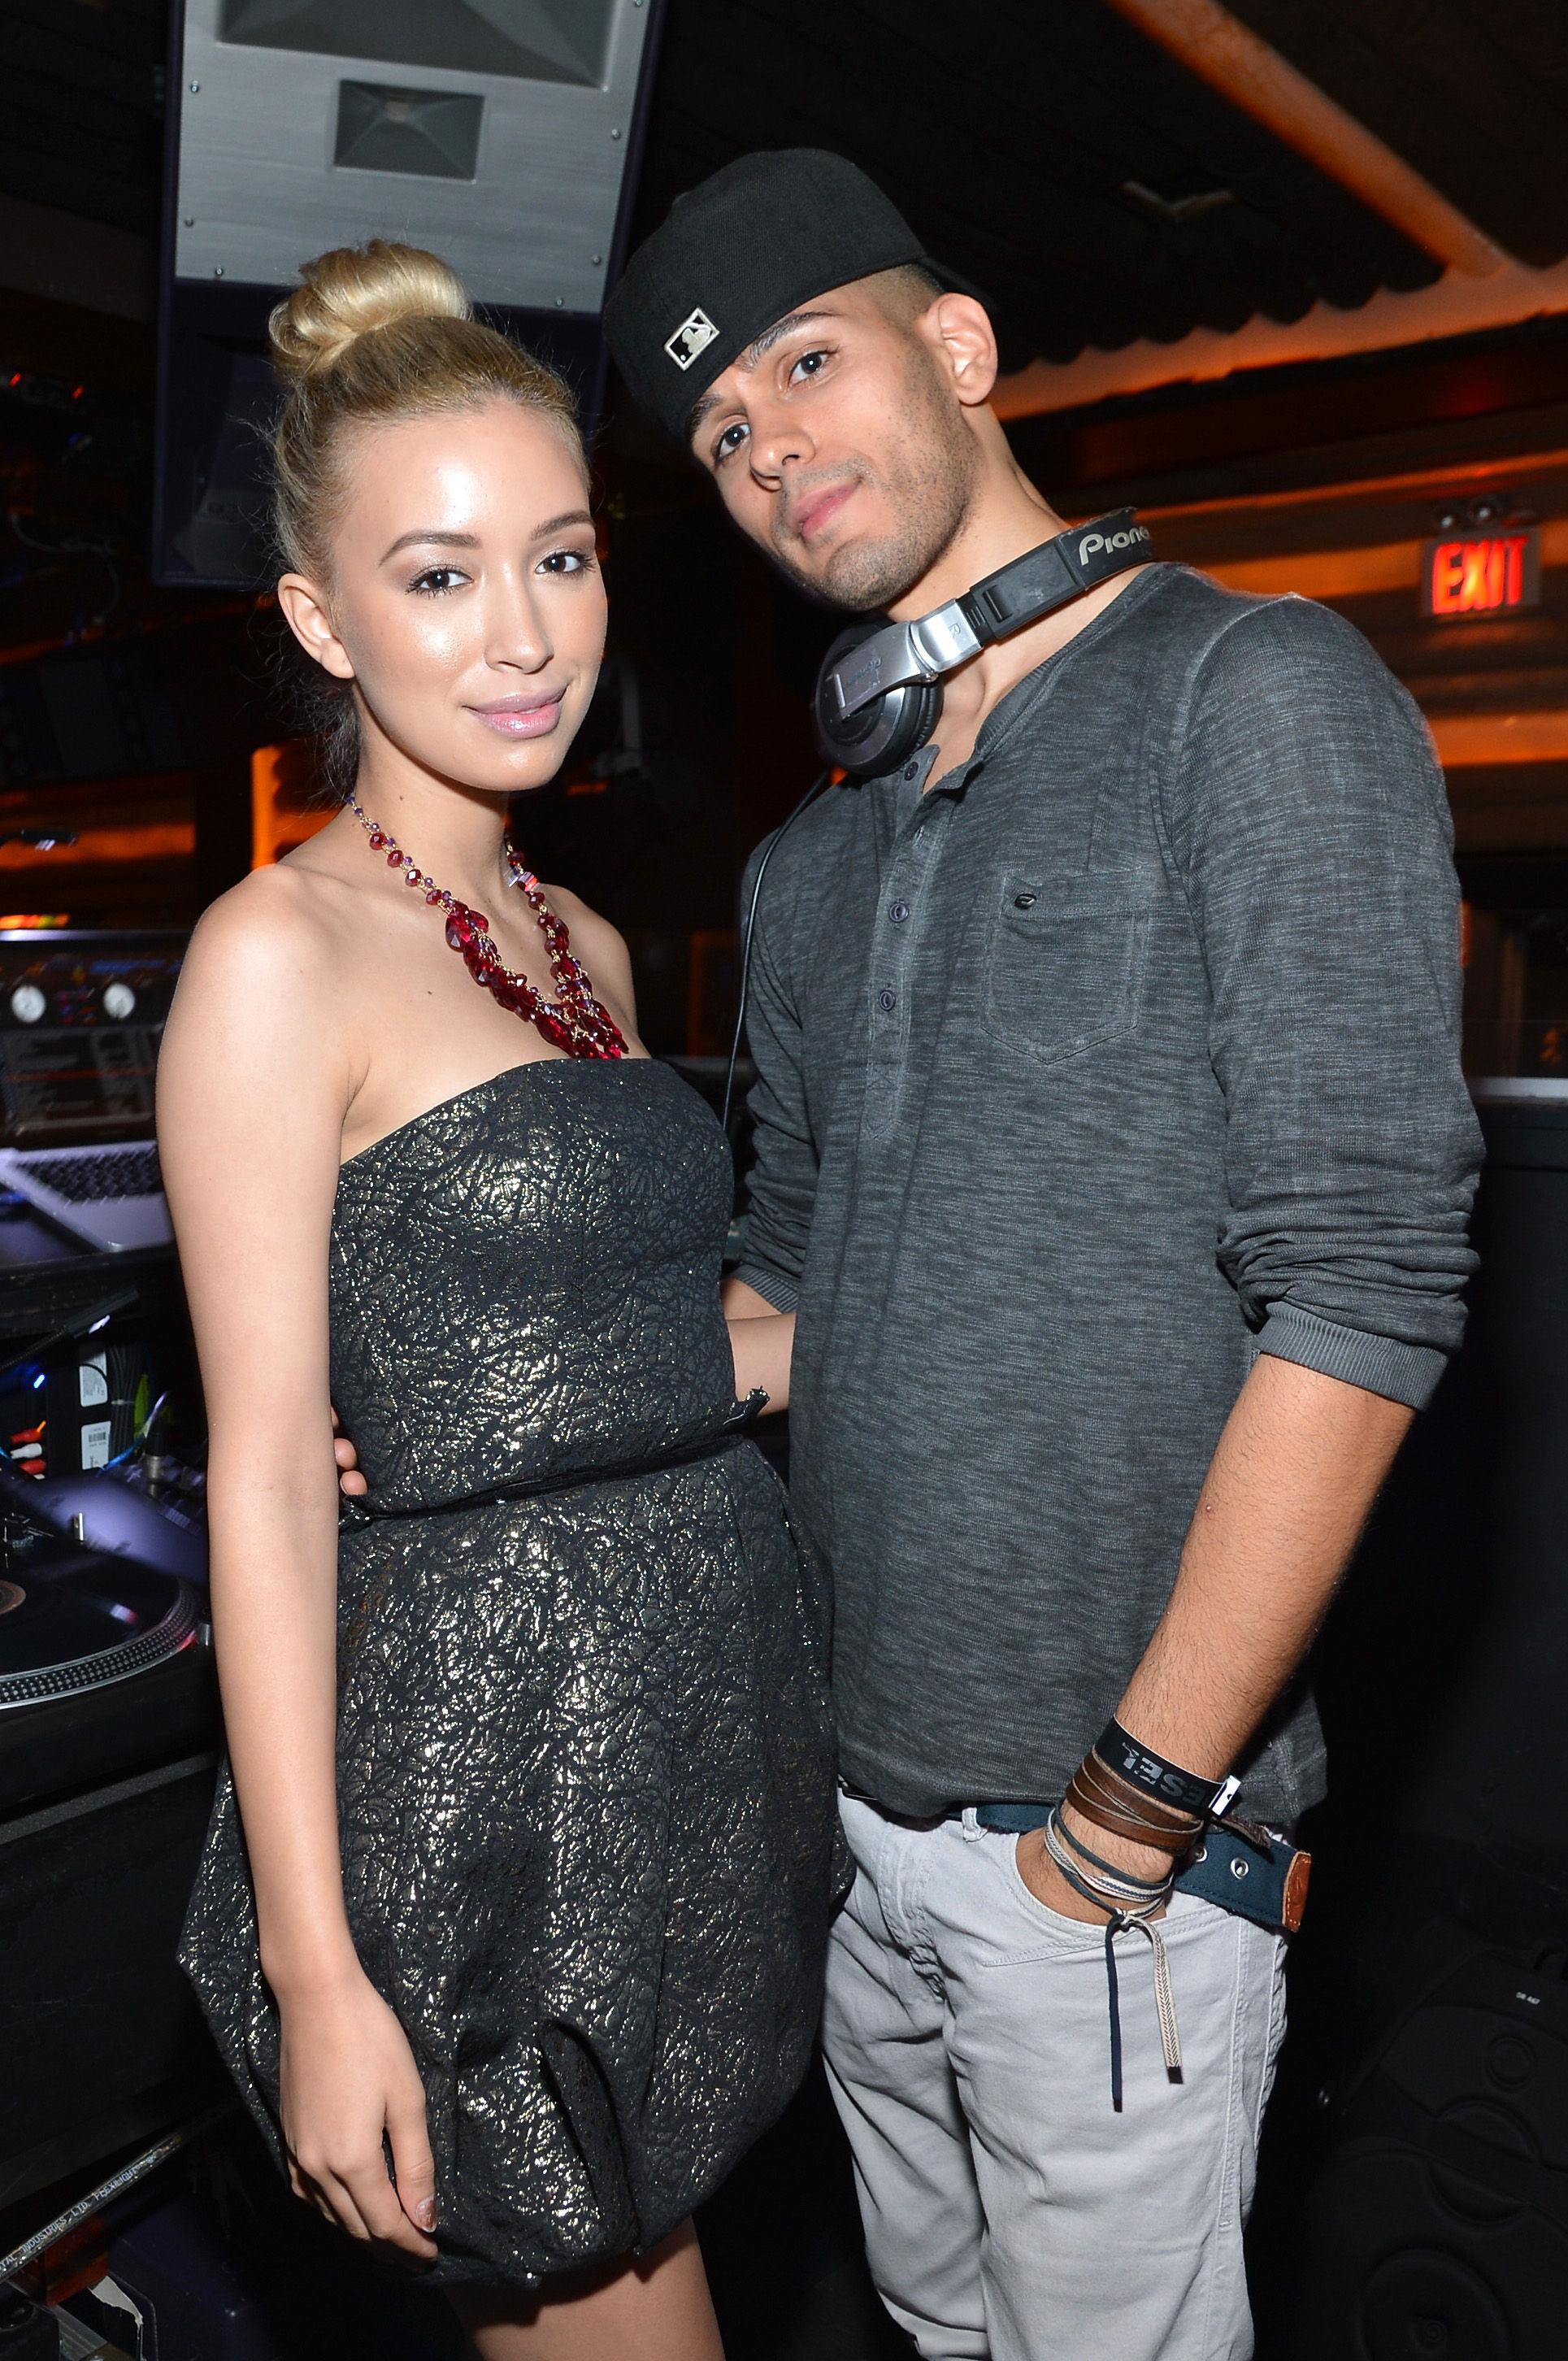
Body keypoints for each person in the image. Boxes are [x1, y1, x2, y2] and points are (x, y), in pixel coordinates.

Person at [597, 152, 1485, 2360]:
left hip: (1104, 1849)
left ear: (962, 348)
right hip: (844, 1820)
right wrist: (494, 1406)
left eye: (810, 363)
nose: (769, 447)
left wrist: (1135, 1803)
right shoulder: (809, 866)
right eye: (721, 433)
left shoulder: (1252, 692)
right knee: (930, 2327)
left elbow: (1368, 1284)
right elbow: (789, 1293)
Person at [161, 239, 843, 2361]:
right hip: (489, 1811)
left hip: (690, 1770)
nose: (527, 635)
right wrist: (316, 1973)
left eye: (560, 557)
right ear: (321, 619)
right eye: (441, 576)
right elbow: (270, 1478)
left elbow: (649, 1352)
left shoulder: (587, 946)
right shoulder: (275, 960)